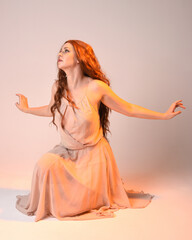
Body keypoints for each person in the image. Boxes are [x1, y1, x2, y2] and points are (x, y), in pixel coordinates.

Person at [15, 40, 186, 222]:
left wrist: (164, 115)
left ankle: (85, 194)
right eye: (59, 51)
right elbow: (52, 109)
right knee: (43, 166)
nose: (59, 54)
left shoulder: (96, 87)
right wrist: (27, 109)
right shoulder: (58, 87)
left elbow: (129, 108)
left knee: (72, 208)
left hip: (92, 156)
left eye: (66, 51)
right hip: (66, 152)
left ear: (80, 59)